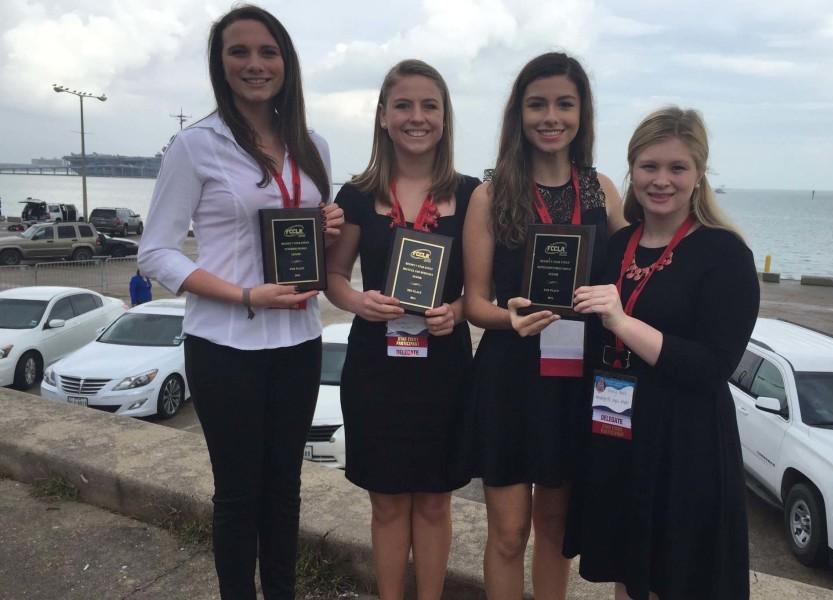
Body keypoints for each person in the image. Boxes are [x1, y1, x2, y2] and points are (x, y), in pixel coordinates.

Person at [137, 5, 343, 599]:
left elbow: (302, 227)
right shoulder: (195, 145)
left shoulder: (313, 145)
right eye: (239, 52)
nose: (255, 64)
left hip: (300, 341)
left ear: (287, 62)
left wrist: (325, 219)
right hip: (226, 345)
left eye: (267, 52)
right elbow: (156, 253)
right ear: (220, 63)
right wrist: (246, 294)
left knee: (285, 488)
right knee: (237, 494)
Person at [562, 107, 759, 600]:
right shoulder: (619, 244)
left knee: (678, 578)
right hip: (619, 430)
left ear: (698, 175)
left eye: (677, 168)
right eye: (650, 167)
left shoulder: (725, 254)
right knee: (629, 573)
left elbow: (714, 366)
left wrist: (623, 323)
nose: (662, 181)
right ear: (632, 170)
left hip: (685, 442)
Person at [463, 52, 626, 600]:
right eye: (537, 104)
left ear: (582, 113)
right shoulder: (490, 194)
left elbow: (633, 273)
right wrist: (508, 319)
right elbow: (474, 304)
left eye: (564, 104)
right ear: (519, 113)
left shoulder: (602, 189)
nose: (550, 117)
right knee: (509, 533)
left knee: (555, 534)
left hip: (577, 380)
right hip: (510, 377)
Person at [325, 59, 478, 600]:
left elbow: (480, 293)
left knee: (435, 501)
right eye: (404, 106)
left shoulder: (473, 193)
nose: (418, 117)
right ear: (383, 116)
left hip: (444, 367)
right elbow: (334, 278)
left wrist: (455, 311)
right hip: (376, 366)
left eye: (429, 105)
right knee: (387, 502)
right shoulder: (358, 195)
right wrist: (358, 302)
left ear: (445, 116)